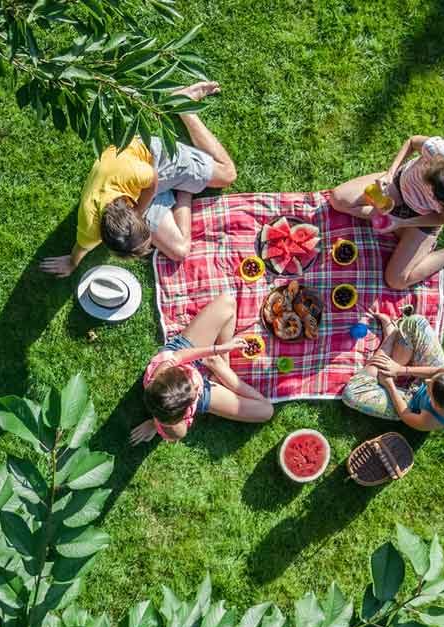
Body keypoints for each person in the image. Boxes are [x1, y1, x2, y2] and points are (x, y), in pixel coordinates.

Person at [39, 81, 237, 277]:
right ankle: (186, 188)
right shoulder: (90, 228)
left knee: (227, 175)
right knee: (180, 251)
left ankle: (183, 104)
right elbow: (81, 247)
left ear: (135, 215)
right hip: (136, 193)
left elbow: (153, 181)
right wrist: (72, 263)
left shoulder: (132, 172)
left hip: (153, 162)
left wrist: (141, 208)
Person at [327, 135, 444, 290]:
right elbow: (412, 142)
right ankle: (397, 228)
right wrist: (389, 174)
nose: (432, 196)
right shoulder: (440, 151)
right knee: (337, 199)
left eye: (439, 202)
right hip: (398, 186)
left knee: (396, 280)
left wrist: (404, 222)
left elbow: (440, 218)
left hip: (423, 218)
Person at [130, 294, 273, 444]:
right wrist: (156, 424)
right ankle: (221, 370)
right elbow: (176, 429)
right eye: (195, 391)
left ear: (172, 371)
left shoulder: (163, 367)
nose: (197, 384)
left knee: (227, 302)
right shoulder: (177, 423)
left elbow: (181, 356)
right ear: (185, 413)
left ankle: (220, 365)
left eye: (190, 381)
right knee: (266, 411)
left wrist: (220, 349)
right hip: (190, 396)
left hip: (185, 354)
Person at [342, 310, 444, 431]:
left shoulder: (431, 421)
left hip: (410, 402)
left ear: (436, 405)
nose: (427, 381)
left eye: (429, 387)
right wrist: (401, 369)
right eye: (434, 379)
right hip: (423, 371)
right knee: (416, 323)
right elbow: (437, 370)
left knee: (351, 393)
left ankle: (388, 343)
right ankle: (388, 357)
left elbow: (405, 415)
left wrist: (390, 386)